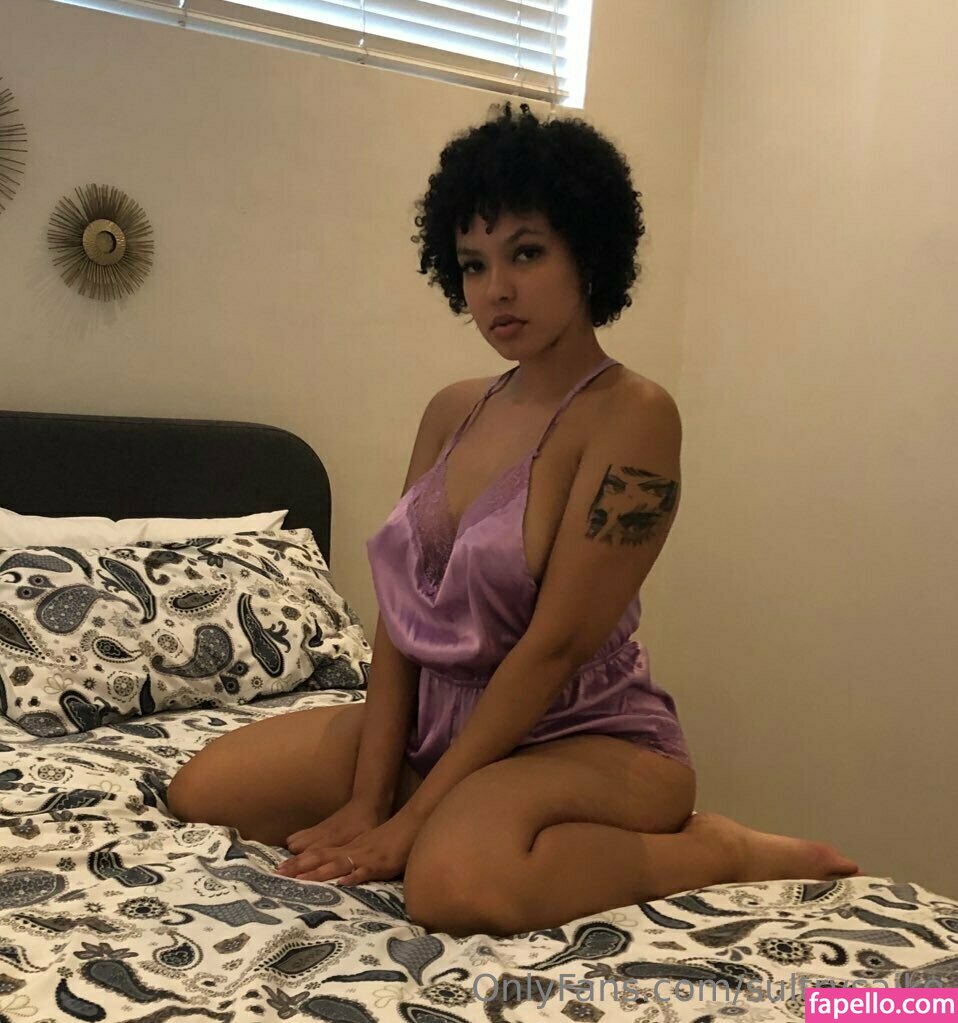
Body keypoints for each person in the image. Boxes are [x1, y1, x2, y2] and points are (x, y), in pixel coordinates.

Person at [166, 101, 860, 938]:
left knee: (453, 885)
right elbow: (400, 615)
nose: (496, 288)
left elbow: (554, 647)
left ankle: (720, 849)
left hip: (584, 735)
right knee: (201, 790)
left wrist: (414, 826)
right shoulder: (451, 409)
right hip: (437, 728)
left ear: (588, 252)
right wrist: (370, 798)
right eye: (473, 263)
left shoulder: (634, 416)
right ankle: (452, 804)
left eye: (526, 253)